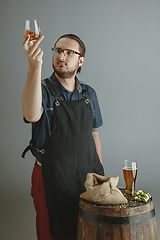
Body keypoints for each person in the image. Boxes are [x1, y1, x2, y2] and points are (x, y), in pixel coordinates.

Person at [22, 33, 104, 240]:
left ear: (80, 61)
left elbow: (94, 136)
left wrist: (100, 176)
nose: (62, 56)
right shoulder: (41, 90)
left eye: (69, 52)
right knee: (51, 233)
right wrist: (34, 66)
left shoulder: (89, 94)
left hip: (85, 179)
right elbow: (31, 115)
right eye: (58, 50)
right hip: (50, 176)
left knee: (85, 232)